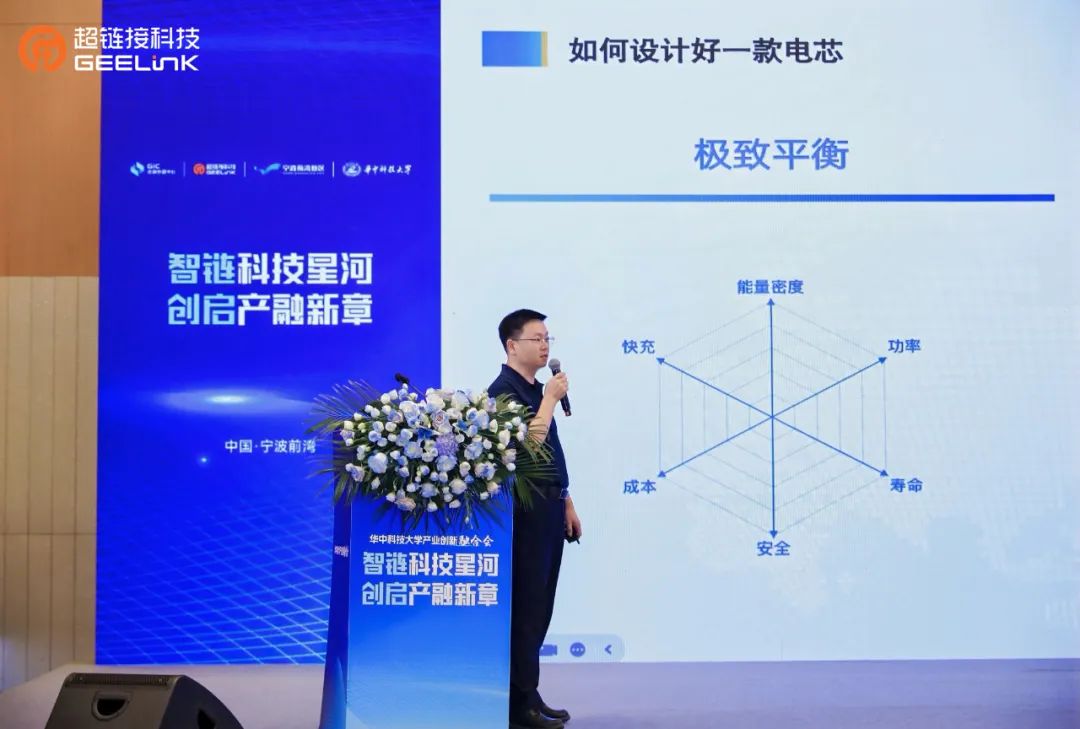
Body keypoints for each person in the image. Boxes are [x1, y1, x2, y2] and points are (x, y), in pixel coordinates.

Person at [487, 309, 583, 729]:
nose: (545, 346)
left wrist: (566, 500)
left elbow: (551, 455)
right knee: (525, 606)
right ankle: (517, 703)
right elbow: (527, 449)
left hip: (549, 505)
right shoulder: (503, 391)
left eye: (548, 339)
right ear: (512, 346)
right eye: (536, 339)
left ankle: (530, 692)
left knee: (541, 604)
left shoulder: (535, 389)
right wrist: (549, 400)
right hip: (524, 512)